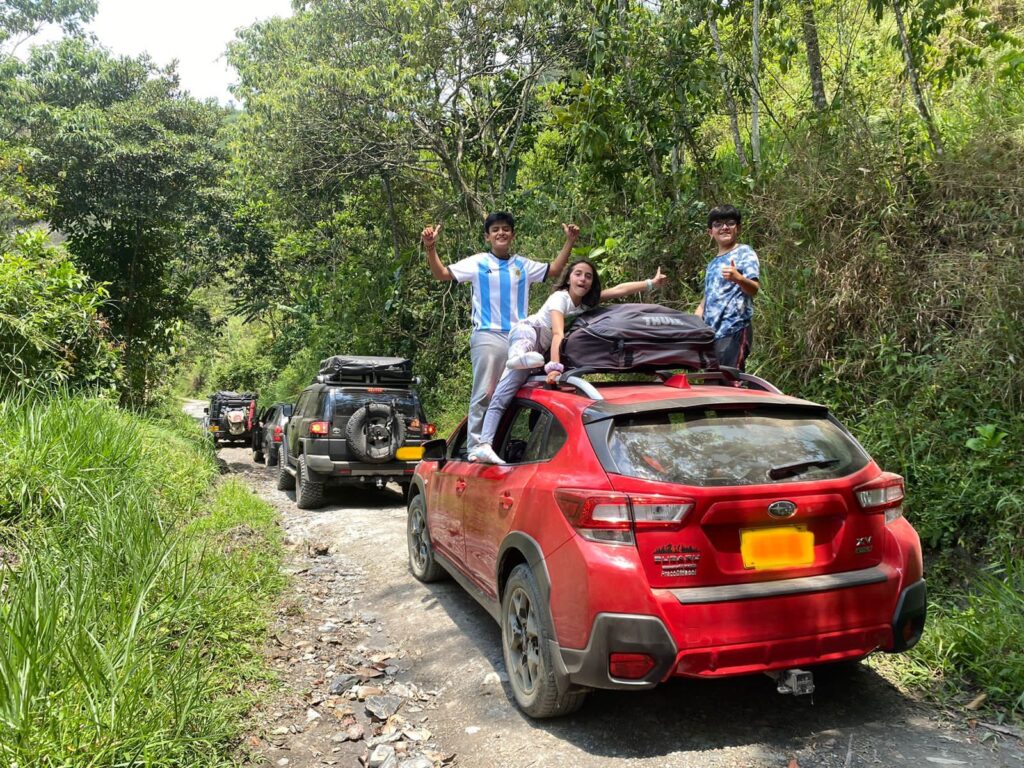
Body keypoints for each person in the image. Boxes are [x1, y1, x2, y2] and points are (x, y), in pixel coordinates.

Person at [470, 258, 667, 464]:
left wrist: (651, 283)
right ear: (568, 279)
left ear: (592, 282)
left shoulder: (585, 303)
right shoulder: (559, 298)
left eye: (588, 276)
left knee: (506, 392)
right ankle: (517, 357)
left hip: (539, 353)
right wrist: (555, 367)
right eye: (578, 274)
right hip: (529, 332)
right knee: (522, 347)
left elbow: (619, 289)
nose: (583, 279)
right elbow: (557, 334)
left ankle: (485, 444)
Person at [421, 213, 578, 451]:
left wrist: (569, 241)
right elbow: (441, 274)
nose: (501, 233)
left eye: (506, 229)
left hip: (520, 337)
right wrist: (430, 247)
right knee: (485, 392)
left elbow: (555, 270)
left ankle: (499, 446)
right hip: (488, 335)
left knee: (515, 392)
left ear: (512, 235)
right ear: (488, 236)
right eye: (495, 229)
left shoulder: (522, 265)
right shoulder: (478, 262)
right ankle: (475, 447)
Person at [695, 204, 760, 371]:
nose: (724, 227)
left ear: (738, 228)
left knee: (729, 384)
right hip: (712, 335)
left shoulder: (745, 252)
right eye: (718, 224)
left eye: (730, 223)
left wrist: (738, 278)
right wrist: (696, 318)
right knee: (713, 387)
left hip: (734, 329)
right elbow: (708, 297)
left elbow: (754, 289)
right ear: (710, 232)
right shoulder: (712, 264)